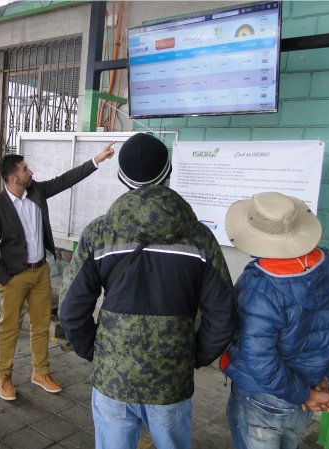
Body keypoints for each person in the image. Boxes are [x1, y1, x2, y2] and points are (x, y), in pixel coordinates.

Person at [59, 133, 238, 449]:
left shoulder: (99, 234)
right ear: (168, 173)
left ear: (121, 177)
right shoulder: (200, 239)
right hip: (172, 380)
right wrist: (194, 356)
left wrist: (98, 353)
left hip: (113, 378)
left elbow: (71, 310)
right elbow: (223, 313)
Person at [223, 191, 329, 449]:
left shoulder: (259, 286)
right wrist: (326, 381)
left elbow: (258, 357)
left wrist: (308, 394)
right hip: (309, 388)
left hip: (263, 397)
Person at [0, 144, 115, 401]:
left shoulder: (36, 191)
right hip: (14, 277)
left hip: (40, 271)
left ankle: (40, 372)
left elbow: (66, 180)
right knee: (9, 328)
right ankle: (3, 376)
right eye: (25, 169)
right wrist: (4, 277)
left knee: (41, 325)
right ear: (12, 178)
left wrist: (97, 160)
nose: (30, 172)